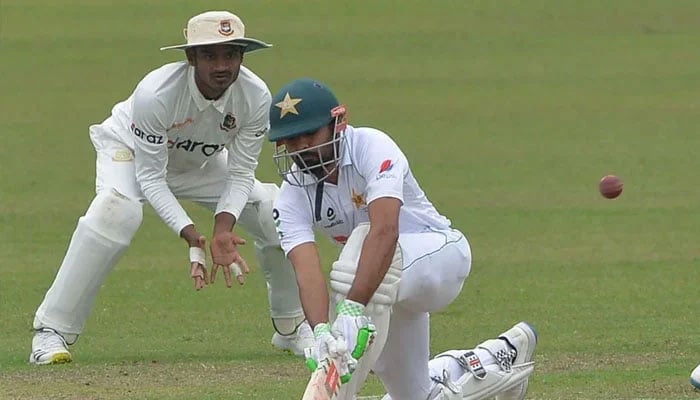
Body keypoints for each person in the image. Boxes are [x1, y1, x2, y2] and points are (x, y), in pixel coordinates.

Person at [29, 11, 313, 365]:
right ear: (191, 57)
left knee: (273, 210)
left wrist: (223, 229)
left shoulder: (255, 96)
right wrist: (192, 235)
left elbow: (241, 173)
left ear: (242, 57)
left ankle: (291, 325)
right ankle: (51, 332)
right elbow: (150, 178)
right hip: (130, 153)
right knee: (117, 211)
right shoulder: (157, 93)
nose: (222, 65)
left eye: (231, 54)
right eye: (210, 55)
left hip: (199, 163)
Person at [267, 78, 539, 400]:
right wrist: (321, 330)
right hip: (383, 289)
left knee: (360, 251)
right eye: (291, 141)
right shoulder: (290, 196)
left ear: (338, 123)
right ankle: (498, 359)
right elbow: (306, 271)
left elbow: (385, 232)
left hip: (439, 258)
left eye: (309, 135)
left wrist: (353, 308)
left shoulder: (372, 146)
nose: (302, 149)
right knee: (414, 397)